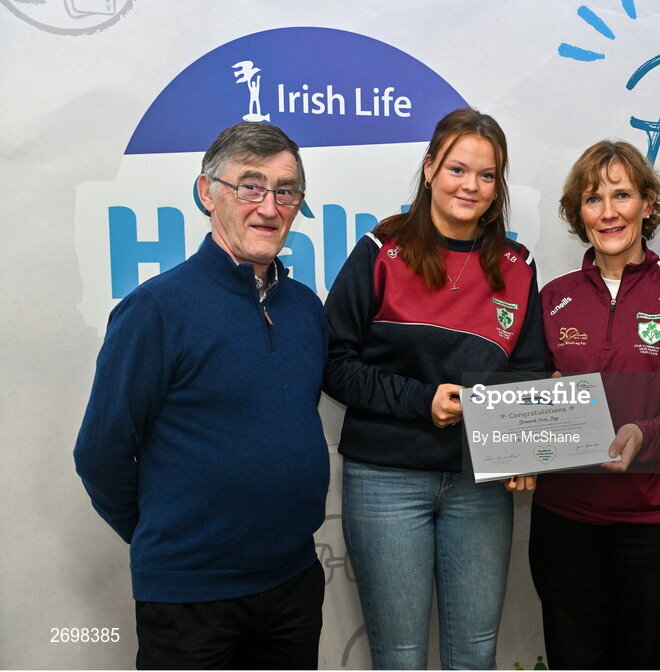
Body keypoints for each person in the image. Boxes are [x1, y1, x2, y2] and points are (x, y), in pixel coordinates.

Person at [74, 122, 329, 669]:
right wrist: (168, 538)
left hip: (293, 583)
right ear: (206, 192)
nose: (269, 206)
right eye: (250, 186)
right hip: (190, 596)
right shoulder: (156, 310)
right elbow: (100, 453)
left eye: (285, 191)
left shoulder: (307, 310)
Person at [322, 107, 545, 670]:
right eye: (456, 168)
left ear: (499, 187)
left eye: (487, 175)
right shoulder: (380, 250)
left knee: (475, 654)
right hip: (385, 479)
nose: (471, 185)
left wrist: (524, 449)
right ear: (428, 169)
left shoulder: (518, 266)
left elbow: (531, 370)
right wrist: (422, 402)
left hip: (478, 484)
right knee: (399, 656)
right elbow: (334, 364)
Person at [529, 140, 660, 669]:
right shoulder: (552, 296)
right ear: (578, 214)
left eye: (622, 195)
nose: (608, 211)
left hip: (655, 522)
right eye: (593, 199)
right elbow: (530, 396)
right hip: (565, 522)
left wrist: (644, 435)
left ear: (647, 205)